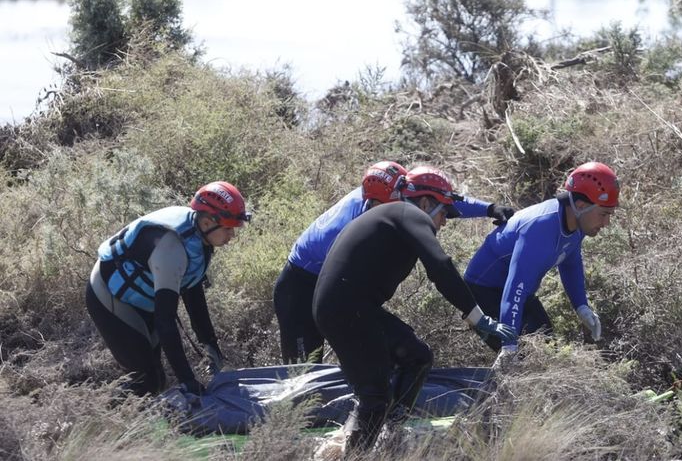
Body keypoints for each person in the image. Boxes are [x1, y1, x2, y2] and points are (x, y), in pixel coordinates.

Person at [312, 166, 516, 453]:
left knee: (417, 357)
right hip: (346, 308)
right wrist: (479, 319)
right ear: (425, 204)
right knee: (374, 396)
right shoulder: (409, 214)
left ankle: (390, 433)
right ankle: (358, 454)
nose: (445, 222)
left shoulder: (398, 217)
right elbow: (441, 268)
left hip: (349, 306)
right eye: (444, 213)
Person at [273, 161, 515, 364]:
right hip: (300, 288)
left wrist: (490, 209)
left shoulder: (395, 190)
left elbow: (435, 198)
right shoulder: (356, 223)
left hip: (334, 290)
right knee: (304, 372)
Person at [85, 181, 249, 396]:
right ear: (209, 223)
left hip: (141, 298)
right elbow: (166, 321)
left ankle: (138, 421)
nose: (232, 236)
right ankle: (98, 421)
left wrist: (211, 344)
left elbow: (193, 292)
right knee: (146, 379)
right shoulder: (172, 248)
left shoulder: (198, 235)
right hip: (109, 296)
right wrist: (188, 381)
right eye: (228, 229)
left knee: (156, 380)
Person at [463, 161, 619, 354]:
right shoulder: (540, 228)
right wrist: (509, 345)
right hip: (483, 290)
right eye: (604, 214)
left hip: (517, 291)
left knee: (549, 350)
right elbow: (514, 290)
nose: (607, 223)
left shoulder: (578, 222)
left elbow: (570, 263)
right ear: (580, 205)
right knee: (524, 357)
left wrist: (581, 306)